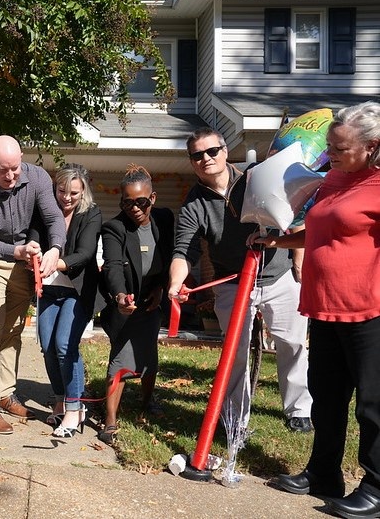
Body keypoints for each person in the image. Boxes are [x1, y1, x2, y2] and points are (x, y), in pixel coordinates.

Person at [252, 102, 380, 518]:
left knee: (372, 404)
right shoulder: (334, 180)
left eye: (339, 148)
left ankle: (377, 486)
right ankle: (324, 473)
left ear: (371, 147)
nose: (330, 154)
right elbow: (319, 231)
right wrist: (278, 243)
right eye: (329, 145)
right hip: (324, 308)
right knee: (327, 398)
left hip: (370, 311)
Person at [167, 127, 313, 434]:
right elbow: (184, 250)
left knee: (292, 343)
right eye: (197, 155)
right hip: (232, 283)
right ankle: (236, 417)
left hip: (278, 274)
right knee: (235, 350)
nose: (205, 159)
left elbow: (296, 213)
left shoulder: (255, 177)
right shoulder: (195, 204)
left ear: (224, 151)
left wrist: (299, 259)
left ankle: (299, 409)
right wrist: (176, 284)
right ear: (191, 161)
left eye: (211, 151)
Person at [0, 135, 66, 434]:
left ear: (22, 158)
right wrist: (16, 251)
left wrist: (55, 248)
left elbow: (52, 217)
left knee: (14, 327)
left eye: (15, 168)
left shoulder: (38, 178)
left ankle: (5, 392)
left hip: (23, 260)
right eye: (2, 170)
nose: (10, 176)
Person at [97, 164, 174, 445]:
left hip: (151, 302)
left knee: (148, 355)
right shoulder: (114, 227)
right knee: (120, 358)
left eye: (141, 202)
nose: (135, 208)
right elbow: (113, 266)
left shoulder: (164, 219)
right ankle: (110, 420)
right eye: (127, 202)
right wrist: (119, 296)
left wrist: (161, 288)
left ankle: (147, 401)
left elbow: (169, 257)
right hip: (124, 304)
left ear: (152, 198)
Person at [31, 163, 102, 437]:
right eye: (62, 190)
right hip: (49, 290)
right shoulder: (46, 210)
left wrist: (55, 263)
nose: (67, 197)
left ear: (83, 191)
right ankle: (60, 398)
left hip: (77, 291)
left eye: (74, 192)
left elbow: (85, 253)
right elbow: (35, 237)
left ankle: (75, 409)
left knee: (64, 346)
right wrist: (34, 253)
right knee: (48, 346)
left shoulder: (91, 213)